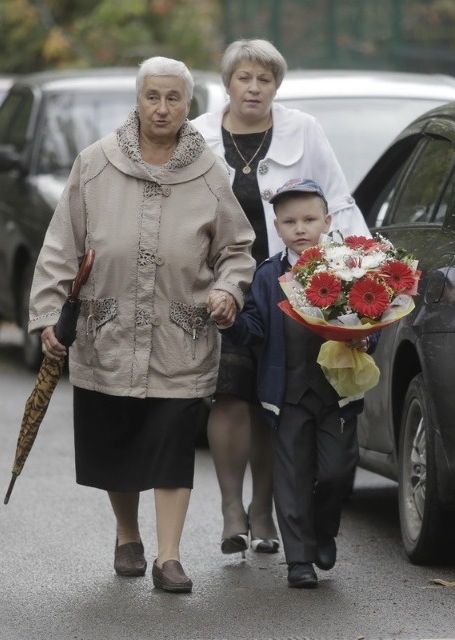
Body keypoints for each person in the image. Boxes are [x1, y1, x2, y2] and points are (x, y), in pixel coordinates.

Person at [28, 56, 256, 594]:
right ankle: (127, 535)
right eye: (152, 96)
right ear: (138, 100)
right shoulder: (96, 164)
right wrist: (46, 315)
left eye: (173, 98)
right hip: (108, 330)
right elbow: (62, 247)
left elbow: (237, 249)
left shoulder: (209, 172)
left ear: (188, 105)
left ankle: (169, 557)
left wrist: (227, 290)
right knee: (119, 442)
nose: (162, 107)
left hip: (181, 334)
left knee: (173, 442)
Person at [192, 38, 369, 559]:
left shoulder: (303, 129)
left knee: (271, 400)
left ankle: (265, 509)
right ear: (228, 83)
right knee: (228, 395)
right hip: (220, 285)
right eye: (244, 78)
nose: (254, 88)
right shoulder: (198, 135)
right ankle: (231, 509)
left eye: (264, 79)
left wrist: (356, 270)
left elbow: (337, 199)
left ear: (276, 85)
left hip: (286, 289)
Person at [218, 178, 372, 588]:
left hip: (338, 390)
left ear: (327, 220)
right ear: (276, 225)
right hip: (286, 394)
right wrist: (231, 322)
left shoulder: (349, 267)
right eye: (289, 222)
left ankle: (324, 529)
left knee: (337, 473)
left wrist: (366, 337)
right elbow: (254, 329)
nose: (300, 229)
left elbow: (370, 317)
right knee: (292, 477)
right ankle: (298, 560)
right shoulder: (268, 276)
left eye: (308, 220)